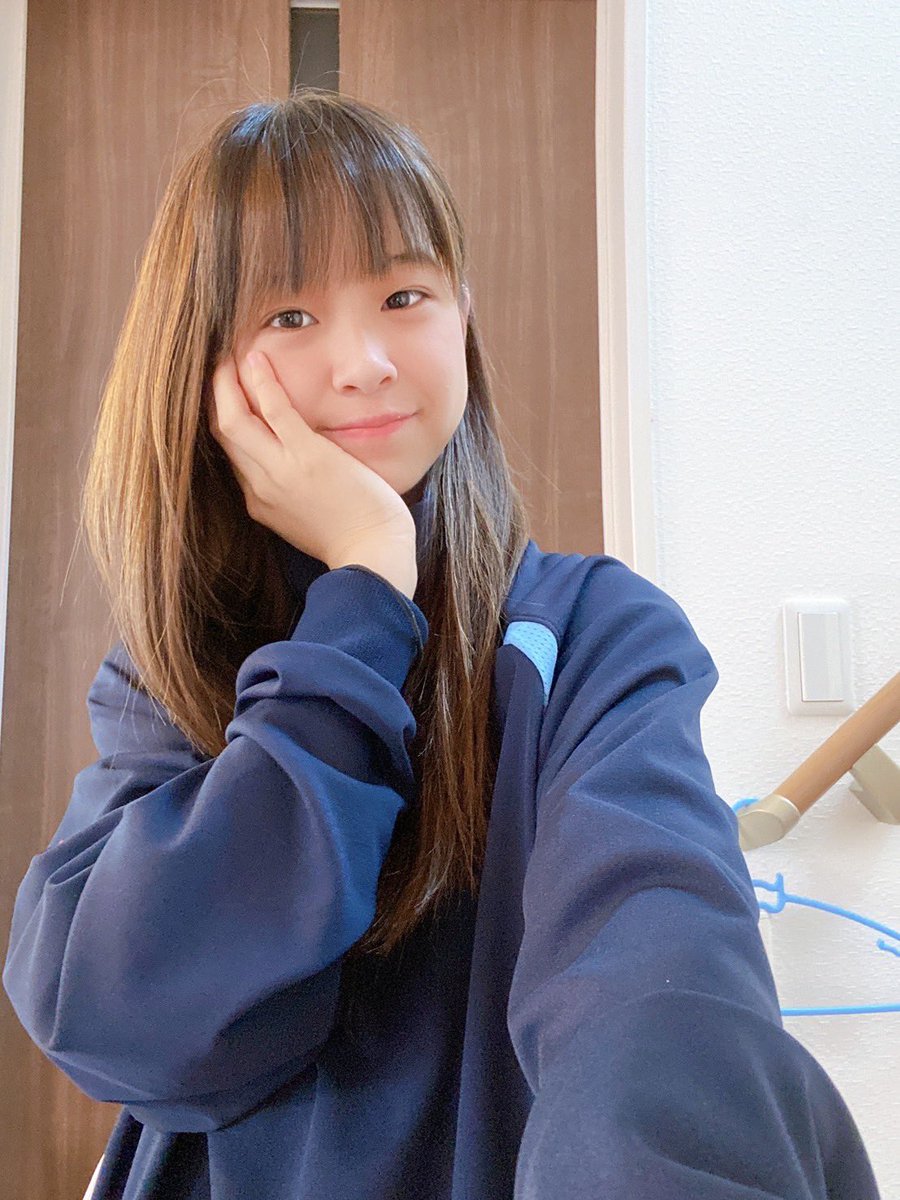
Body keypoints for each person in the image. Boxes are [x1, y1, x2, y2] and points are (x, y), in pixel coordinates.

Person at [2, 88, 880, 1200]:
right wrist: (363, 594)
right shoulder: (165, 677)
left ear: (461, 313)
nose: (365, 361)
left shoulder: (594, 635)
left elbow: (658, 989)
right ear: (205, 365)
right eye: (289, 316)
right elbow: (125, 1025)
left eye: (403, 295)